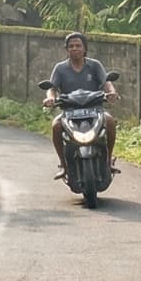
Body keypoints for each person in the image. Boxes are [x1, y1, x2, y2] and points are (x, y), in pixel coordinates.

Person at [43, 31, 119, 178]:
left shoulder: (95, 65)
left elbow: (106, 83)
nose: (74, 48)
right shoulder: (60, 68)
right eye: (71, 46)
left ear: (85, 48)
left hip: (94, 109)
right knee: (56, 126)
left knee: (109, 121)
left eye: (78, 45)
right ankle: (63, 164)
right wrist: (50, 99)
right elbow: (51, 88)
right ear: (66, 50)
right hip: (69, 110)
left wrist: (111, 93)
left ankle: (108, 160)